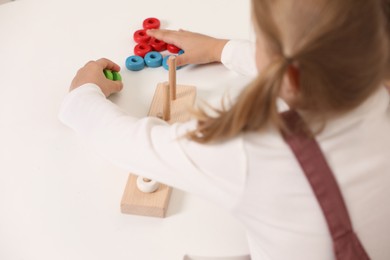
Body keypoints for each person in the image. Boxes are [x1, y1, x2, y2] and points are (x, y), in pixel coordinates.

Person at [59, 0, 390, 259]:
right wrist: (220, 49)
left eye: (259, 38)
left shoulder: (255, 155)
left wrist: (81, 95)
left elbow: (133, 145)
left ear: (286, 72)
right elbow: (313, 66)